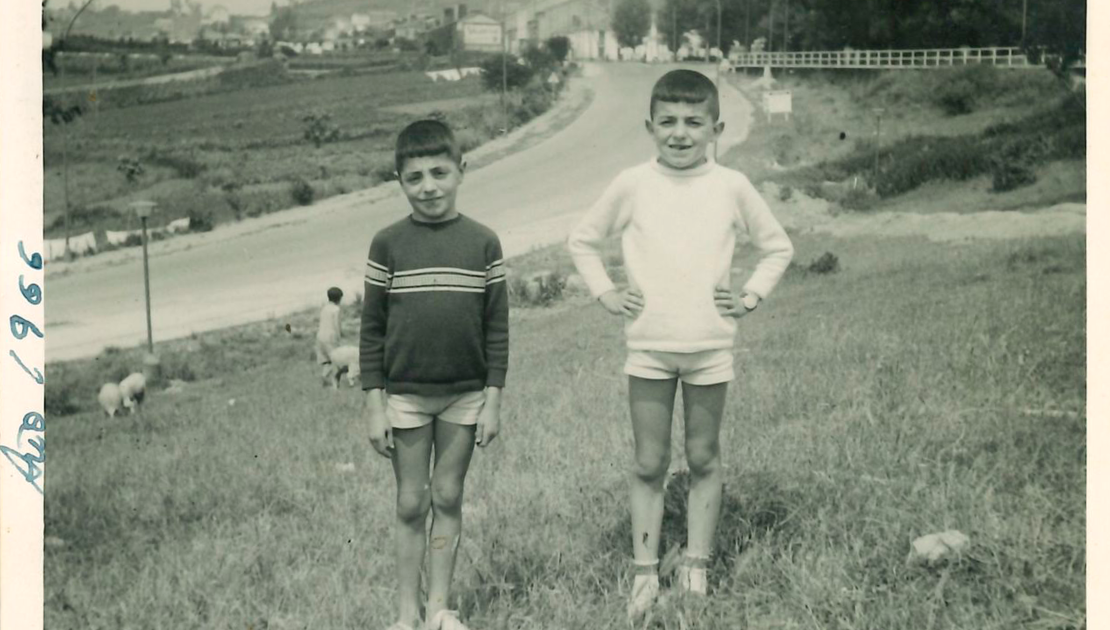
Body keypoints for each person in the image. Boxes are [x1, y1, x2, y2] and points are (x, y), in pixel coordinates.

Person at [566, 69, 794, 619]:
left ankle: (696, 566)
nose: (680, 133)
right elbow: (583, 240)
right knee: (649, 462)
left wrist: (750, 297)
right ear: (649, 126)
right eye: (667, 122)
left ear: (716, 127)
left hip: (710, 349)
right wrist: (604, 293)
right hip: (648, 348)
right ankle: (644, 574)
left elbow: (777, 247)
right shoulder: (632, 183)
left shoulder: (732, 186)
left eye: (694, 123)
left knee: (703, 457)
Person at [360, 119, 509, 630]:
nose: (428, 187)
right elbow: (372, 330)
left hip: (465, 396)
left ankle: (437, 609)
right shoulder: (387, 244)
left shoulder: (484, 243)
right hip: (405, 397)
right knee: (409, 502)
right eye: (414, 177)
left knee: (447, 497)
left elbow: (497, 331)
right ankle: (405, 615)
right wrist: (373, 402)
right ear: (398, 180)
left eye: (439, 173)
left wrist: (493, 399)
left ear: (461, 170)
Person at [315, 286, 343, 385]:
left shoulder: (324, 308)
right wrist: (339, 338)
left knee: (327, 360)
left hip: (320, 336)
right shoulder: (336, 309)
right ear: (339, 298)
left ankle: (324, 377)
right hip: (330, 336)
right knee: (336, 359)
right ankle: (334, 382)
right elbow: (336, 325)